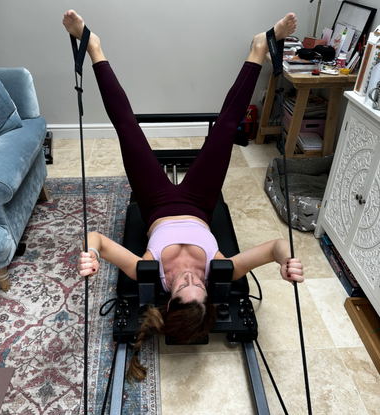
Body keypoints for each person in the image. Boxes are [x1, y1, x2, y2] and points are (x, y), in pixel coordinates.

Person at [63, 10, 304, 381]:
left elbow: (96, 240)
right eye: (199, 287)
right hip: (198, 202)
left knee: (127, 129)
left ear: (169, 297)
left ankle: (93, 46)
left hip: (156, 202)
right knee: (225, 130)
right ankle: (259, 47)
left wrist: (91, 254)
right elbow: (274, 248)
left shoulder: (149, 269)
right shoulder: (218, 269)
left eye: (184, 286)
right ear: (208, 293)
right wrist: (288, 261)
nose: (192, 279)